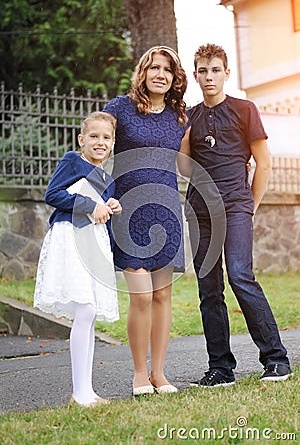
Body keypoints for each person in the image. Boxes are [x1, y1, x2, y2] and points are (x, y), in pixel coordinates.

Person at [179, 43, 292, 387]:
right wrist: (182, 126)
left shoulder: (245, 109)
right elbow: (183, 165)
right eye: (202, 70)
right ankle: (221, 368)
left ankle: (276, 360)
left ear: (227, 73)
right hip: (200, 211)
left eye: (215, 70)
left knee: (241, 275)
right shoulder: (191, 115)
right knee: (208, 288)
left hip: (236, 205)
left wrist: (250, 205)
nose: (209, 76)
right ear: (195, 75)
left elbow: (265, 163)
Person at [104, 46, 190, 395]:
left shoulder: (179, 117)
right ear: (143, 72)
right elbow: (96, 148)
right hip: (128, 211)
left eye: (167, 70)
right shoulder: (119, 109)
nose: (160, 74)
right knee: (140, 297)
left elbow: (186, 164)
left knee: (162, 298)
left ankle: (160, 374)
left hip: (166, 211)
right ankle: (139, 373)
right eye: (154, 68)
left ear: (174, 77)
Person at [34, 111, 122, 406]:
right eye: (94, 136)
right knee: (84, 309)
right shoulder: (73, 161)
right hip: (70, 238)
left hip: (93, 243)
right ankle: (79, 392)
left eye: (106, 138)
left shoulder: (106, 176)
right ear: (81, 139)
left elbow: (98, 210)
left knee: (91, 312)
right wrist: (88, 204)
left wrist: (109, 205)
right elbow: (53, 194)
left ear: (112, 143)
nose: (100, 142)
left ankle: (87, 391)